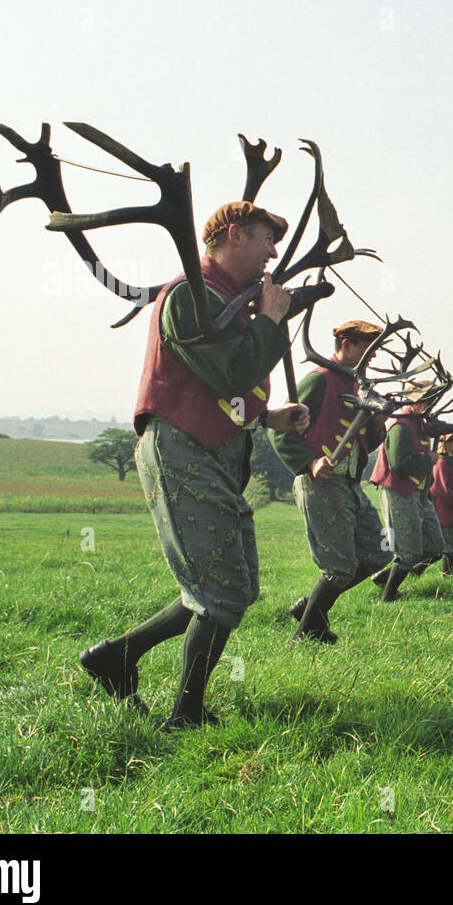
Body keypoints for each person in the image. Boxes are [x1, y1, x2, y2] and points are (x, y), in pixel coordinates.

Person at [79, 201, 308, 729]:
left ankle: (116, 657)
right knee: (221, 590)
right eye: (265, 240)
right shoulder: (188, 296)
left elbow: (222, 389)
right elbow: (230, 373)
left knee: (232, 584)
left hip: (213, 453)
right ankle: (185, 715)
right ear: (232, 235)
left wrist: (267, 417)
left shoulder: (226, 299)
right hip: (181, 450)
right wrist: (272, 320)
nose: (273, 252)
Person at [271, 319, 393, 643]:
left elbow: (368, 440)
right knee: (339, 567)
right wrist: (309, 462)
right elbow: (279, 428)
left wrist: (379, 422)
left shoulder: (358, 386)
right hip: (320, 481)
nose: (371, 356)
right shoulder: (319, 380)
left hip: (350, 483)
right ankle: (305, 634)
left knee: (380, 553)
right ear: (347, 344)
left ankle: (311, 610)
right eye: (367, 348)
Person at [368, 384, 445, 600]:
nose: (428, 404)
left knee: (436, 546)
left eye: (430, 400)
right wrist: (427, 460)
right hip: (398, 491)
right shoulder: (401, 424)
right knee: (408, 551)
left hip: (418, 492)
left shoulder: (418, 422)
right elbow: (399, 464)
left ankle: (384, 577)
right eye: (425, 399)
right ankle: (389, 595)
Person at [417, 432, 453, 576]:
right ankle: (442, 576)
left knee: (447, 548)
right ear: (445, 443)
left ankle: (418, 572)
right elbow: (441, 489)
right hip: (444, 513)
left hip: (450, 513)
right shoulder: (442, 463)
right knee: (449, 548)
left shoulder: (449, 462)